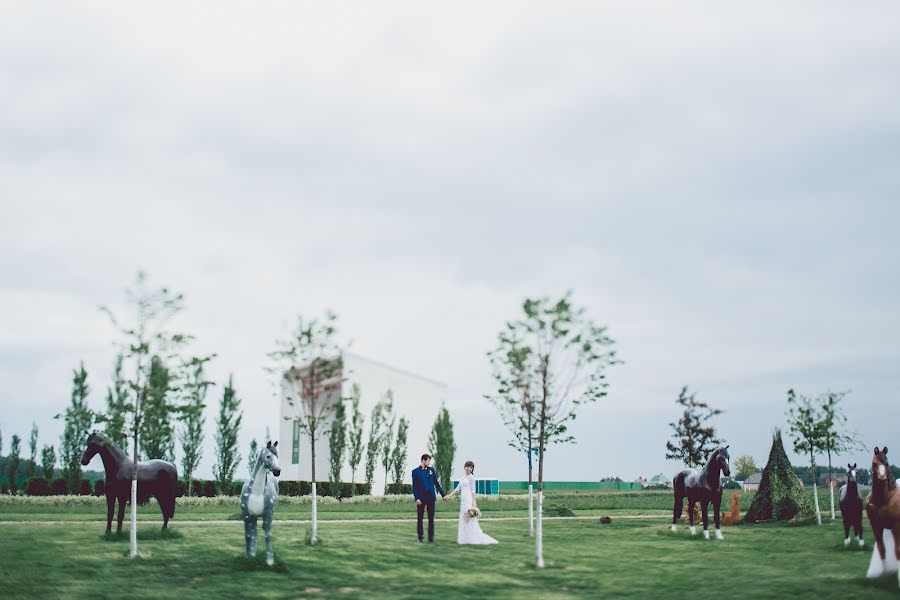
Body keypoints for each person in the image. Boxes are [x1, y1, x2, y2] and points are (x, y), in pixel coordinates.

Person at [446, 460, 498, 545]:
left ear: (472, 469)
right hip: (463, 501)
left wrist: (473, 503)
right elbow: (457, 489)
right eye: (467, 467)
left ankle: (472, 538)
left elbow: (473, 491)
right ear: (464, 467)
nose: (469, 469)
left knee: (470, 518)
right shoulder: (462, 478)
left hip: (468, 500)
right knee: (463, 518)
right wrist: (449, 496)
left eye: (471, 467)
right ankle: (464, 539)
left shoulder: (472, 478)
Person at [411, 453, 446, 543]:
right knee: (420, 519)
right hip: (421, 498)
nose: (429, 463)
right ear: (423, 460)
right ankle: (420, 538)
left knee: (431, 519)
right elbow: (415, 487)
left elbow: (436, 483)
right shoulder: (415, 472)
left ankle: (431, 538)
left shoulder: (431, 470)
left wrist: (443, 495)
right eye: (428, 461)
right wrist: (417, 498)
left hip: (431, 498)